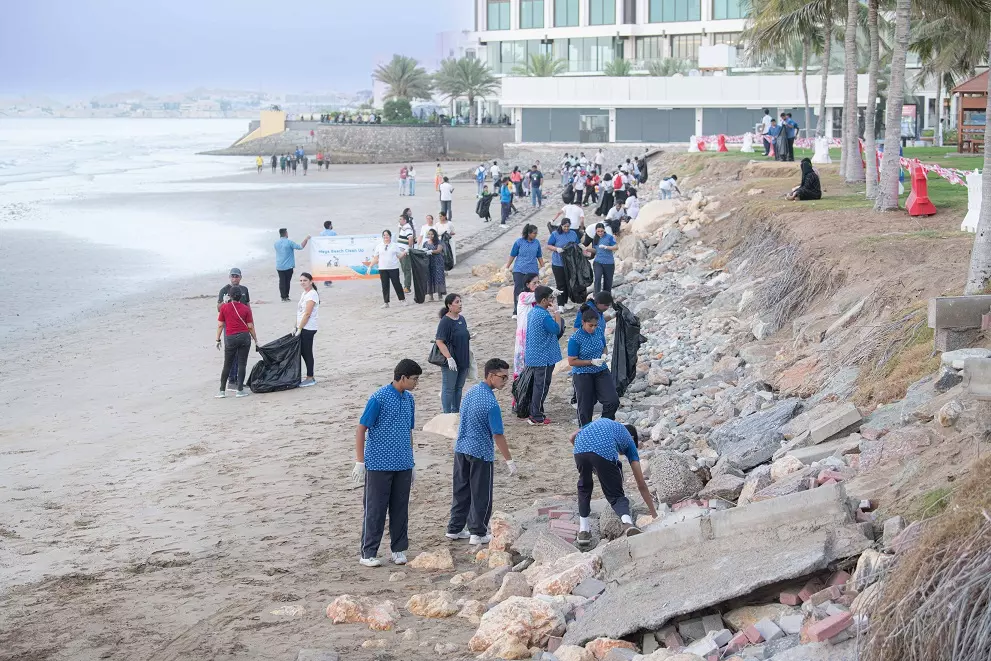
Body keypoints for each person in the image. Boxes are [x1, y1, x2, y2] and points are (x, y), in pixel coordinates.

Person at [352, 359, 422, 567]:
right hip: (379, 464)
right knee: (375, 509)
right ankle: (368, 552)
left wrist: (412, 460)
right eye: (414, 379)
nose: (416, 383)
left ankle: (398, 549)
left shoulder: (409, 399)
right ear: (402, 377)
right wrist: (360, 462)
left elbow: (408, 430)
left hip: (403, 464)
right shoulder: (379, 398)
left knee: (400, 508)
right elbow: (361, 428)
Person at [446, 358, 517, 544]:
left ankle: (454, 528)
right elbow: (498, 435)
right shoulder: (491, 403)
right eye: (503, 377)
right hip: (480, 452)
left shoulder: (471, 392)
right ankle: (477, 532)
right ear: (491, 375)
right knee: (481, 493)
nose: (505, 381)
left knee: (461, 490)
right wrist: (509, 460)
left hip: (461, 448)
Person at [570, 420, 657, 548]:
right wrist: (653, 513)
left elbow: (572, 436)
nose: (622, 454)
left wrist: (588, 458)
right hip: (603, 449)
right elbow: (641, 483)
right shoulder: (629, 441)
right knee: (615, 494)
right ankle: (628, 524)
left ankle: (583, 531)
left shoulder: (603, 422)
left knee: (584, 487)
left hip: (579, 448)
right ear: (633, 437)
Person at [569, 307, 619, 426]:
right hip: (583, 373)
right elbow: (572, 361)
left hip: (600, 370)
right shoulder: (575, 339)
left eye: (595, 325)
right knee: (585, 406)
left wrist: (604, 354)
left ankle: (604, 425)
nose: (593, 328)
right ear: (583, 323)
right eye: (590, 325)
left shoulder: (599, 331)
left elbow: (604, 346)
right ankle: (585, 431)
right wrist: (590, 361)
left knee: (612, 400)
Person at [524, 286, 564, 425]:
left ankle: (536, 411)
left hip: (534, 355)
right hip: (544, 357)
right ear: (543, 300)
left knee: (537, 385)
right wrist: (557, 312)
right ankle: (536, 416)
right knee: (541, 386)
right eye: (550, 298)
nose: (552, 301)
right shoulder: (543, 315)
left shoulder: (533, 312)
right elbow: (556, 329)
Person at [215, 285, 257, 398]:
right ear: (240, 296)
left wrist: (217, 339)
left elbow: (220, 325)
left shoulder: (224, 308)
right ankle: (239, 390)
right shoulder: (245, 308)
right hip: (244, 337)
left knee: (227, 364)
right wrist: (256, 340)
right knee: (242, 363)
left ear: (230, 296)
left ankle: (222, 391)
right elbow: (250, 326)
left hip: (230, 337)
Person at [434, 293, 470, 413]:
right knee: (449, 388)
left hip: (463, 358)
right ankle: (446, 413)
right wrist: (449, 358)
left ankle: (456, 411)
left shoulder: (462, 319)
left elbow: (462, 334)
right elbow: (439, 341)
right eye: (457, 302)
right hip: (451, 360)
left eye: (460, 301)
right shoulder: (445, 321)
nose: (460, 304)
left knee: (458, 387)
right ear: (449, 306)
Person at [217, 268, 251, 390]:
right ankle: (232, 380)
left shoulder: (244, 290)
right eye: (233, 276)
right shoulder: (224, 290)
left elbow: (247, 305)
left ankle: (238, 380)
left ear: (240, 277)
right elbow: (219, 309)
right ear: (229, 277)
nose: (234, 278)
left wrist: (250, 323)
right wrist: (224, 303)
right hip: (229, 327)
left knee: (240, 355)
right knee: (231, 355)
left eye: (237, 276)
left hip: (243, 326)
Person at [506, 224, 545, 317]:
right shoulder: (519, 242)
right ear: (528, 233)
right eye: (534, 233)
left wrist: (543, 267)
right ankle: (516, 311)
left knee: (533, 290)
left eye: (536, 233)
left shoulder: (537, 243)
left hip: (532, 270)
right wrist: (507, 267)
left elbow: (539, 256)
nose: (535, 235)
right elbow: (513, 255)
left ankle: (533, 309)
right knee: (518, 290)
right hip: (519, 269)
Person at [367, 229, 408, 308]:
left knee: (397, 284)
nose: (386, 237)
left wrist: (404, 252)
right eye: (384, 235)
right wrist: (370, 266)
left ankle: (402, 299)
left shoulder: (394, 245)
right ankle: (386, 302)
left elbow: (399, 256)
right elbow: (376, 258)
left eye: (387, 235)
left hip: (393, 268)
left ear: (390, 236)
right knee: (385, 285)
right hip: (383, 268)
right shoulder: (379, 246)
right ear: (382, 236)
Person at [546, 219, 580, 313]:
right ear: (561, 226)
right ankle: (560, 305)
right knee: (560, 284)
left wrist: (582, 248)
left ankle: (565, 302)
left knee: (568, 283)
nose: (566, 228)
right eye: (564, 226)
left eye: (568, 226)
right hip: (558, 263)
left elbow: (577, 243)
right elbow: (549, 245)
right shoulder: (555, 234)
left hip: (570, 263)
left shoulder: (573, 233)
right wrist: (556, 249)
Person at [512, 273, 540, 383]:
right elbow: (540, 295)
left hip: (532, 333)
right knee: (521, 364)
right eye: (534, 283)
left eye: (538, 282)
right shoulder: (523, 295)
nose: (537, 285)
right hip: (523, 334)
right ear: (527, 284)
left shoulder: (535, 299)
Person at [294, 272, 319, 387]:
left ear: (310, 281)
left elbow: (307, 313)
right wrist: (295, 326)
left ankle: (310, 377)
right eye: (301, 281)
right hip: (302, 326)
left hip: (308, 327)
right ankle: (308, 376)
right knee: (303, 352)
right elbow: (300, 311)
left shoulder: (312, 294)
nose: (302, 283)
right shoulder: (304, 293)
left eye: (305, 280)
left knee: (307, 352)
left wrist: (300, 328)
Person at [275, 229, 310, 302]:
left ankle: (283, 297)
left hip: (279, 265)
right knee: (287, 281)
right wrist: (306, 239)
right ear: (286, 233)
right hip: (288, 266)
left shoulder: (276, 243)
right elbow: (300, 247)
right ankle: (286, 296)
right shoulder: (289, 242)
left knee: (282, 281)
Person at [588, 223, 617, 294]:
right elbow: (596, 250)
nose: (600, 233)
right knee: (597, 278)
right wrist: (587, 249)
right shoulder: (595, 239)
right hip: (598, 262)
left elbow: (616, 247)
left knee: (608, 281)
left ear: (604, 230)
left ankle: (605, 298)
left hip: (609, 263)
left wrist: (606, 247)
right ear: (596, 231)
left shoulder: (609, 237)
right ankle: (596, 297)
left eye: (602, 231)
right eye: (598, 231)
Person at [423, 228, 447, 301]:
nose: (430, 235)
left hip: (437, 262)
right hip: (429, 262)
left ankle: (440, 295)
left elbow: (439, 250)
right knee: (429, 278)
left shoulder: (439, 242)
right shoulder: (425, 243)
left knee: (438, 277)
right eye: (429, 234)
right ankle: (431, 296)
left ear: (435, 235)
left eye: (432, 234)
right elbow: (423, 251)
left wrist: (431, 251)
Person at [398, 213, 416, 293]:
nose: (399, 221)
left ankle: (407, 287)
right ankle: (406, 286)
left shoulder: (407, 228)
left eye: (400, 219)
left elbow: (410, 239)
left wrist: (407, 249)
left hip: (405, 252)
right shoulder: (403, 228)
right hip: (401, 251)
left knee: (407, 269)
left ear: (405, 220)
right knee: (404, 269)